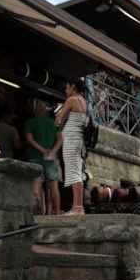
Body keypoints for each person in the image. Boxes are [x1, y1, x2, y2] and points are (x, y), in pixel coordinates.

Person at [56, 78, 89, 215]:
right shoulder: (83, 101)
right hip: (78, 140)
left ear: (73, 87)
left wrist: (58, 112)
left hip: (71, 140)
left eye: (66, 87)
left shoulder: (72, 100)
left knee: (74, 173)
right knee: (77, 173)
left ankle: (77, 208)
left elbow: (59, 121)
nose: (65, 90)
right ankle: (78, 207)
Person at [25, 100, 61, 215]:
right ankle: (57, 213)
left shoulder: (30, 122)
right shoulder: (54, 123)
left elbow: (29, 140)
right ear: (45, 111)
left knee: (36, 185)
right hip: (51, 158)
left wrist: (42, 150)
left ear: (35, 110)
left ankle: (36, 214)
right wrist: (52, 152)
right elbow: (60, 139)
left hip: (35, 157)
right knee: (53, 186)